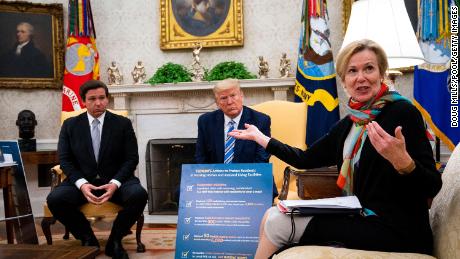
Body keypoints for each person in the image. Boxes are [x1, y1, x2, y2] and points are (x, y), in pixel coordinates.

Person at [229, 39, 442, 258]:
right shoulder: (350, 123)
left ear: (381, 73)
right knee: (270, 215)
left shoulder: (403, 113)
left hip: (399, 230)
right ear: (344, 81)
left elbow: (433, 186)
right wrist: (263, 139)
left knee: (277, 223)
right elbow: (305, 159)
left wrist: (404, 163)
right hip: (361, 217)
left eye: (369, 68)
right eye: (352, 71)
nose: (361, 77)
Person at [47, 80, 148, 259]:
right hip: (82, 181)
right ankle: (88, 239)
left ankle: (115, 241)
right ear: (83, 101)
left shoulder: (123, 123)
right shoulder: (70, 125)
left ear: (107, 99)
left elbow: (132, 158)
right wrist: (82, 184)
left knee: (139, 195)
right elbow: (65, 160)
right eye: (92, 99)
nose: (98, 103)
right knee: (56, 199)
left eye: (102, 98)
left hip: (117, 180)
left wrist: (115, 183)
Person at [195, 78, 278, 200]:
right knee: (181, 191)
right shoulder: (205, 121)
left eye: (233, 95)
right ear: (217, 102)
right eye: (223, 98)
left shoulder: (260, 120)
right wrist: (212, 181)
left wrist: (238, 183)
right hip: (216, 180)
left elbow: (262, 158)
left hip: (251, 178)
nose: (230, 102)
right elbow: (200, 156)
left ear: (241, 96)